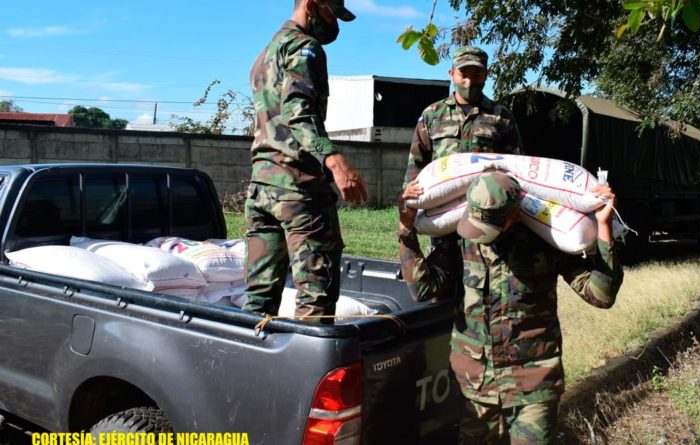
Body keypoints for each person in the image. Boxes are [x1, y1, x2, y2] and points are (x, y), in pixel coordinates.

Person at [398, 171, 624, 444]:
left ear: (515, 216)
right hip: (475, 385)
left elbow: (601, 295)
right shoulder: (461, 238)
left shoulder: (546, 241)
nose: (480, 237)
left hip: (532, 384)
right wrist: (406, 229)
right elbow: (423, 289)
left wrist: (603, 227)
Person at [243, 0, 368, 324]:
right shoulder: (304, 46)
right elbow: (299, 113)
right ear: (311, 5)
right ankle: (308, 375)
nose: (335, 26)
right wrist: (336, 162)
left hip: (261, 188)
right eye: (332, 14)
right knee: (316, 301)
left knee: (257, 302)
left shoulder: (266, 53)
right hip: (298, 189)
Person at [401, 45, 523, 301]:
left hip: (486, 222)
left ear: (486, 75)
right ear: (452, 74)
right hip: (444, 223)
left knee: (486, 292)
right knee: (443, 291)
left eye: (476, 75)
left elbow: (516, 167)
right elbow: (417, 163)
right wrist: (410, 197)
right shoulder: (432, 115)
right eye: (463, 73)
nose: (469, 80)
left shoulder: (501, 117)